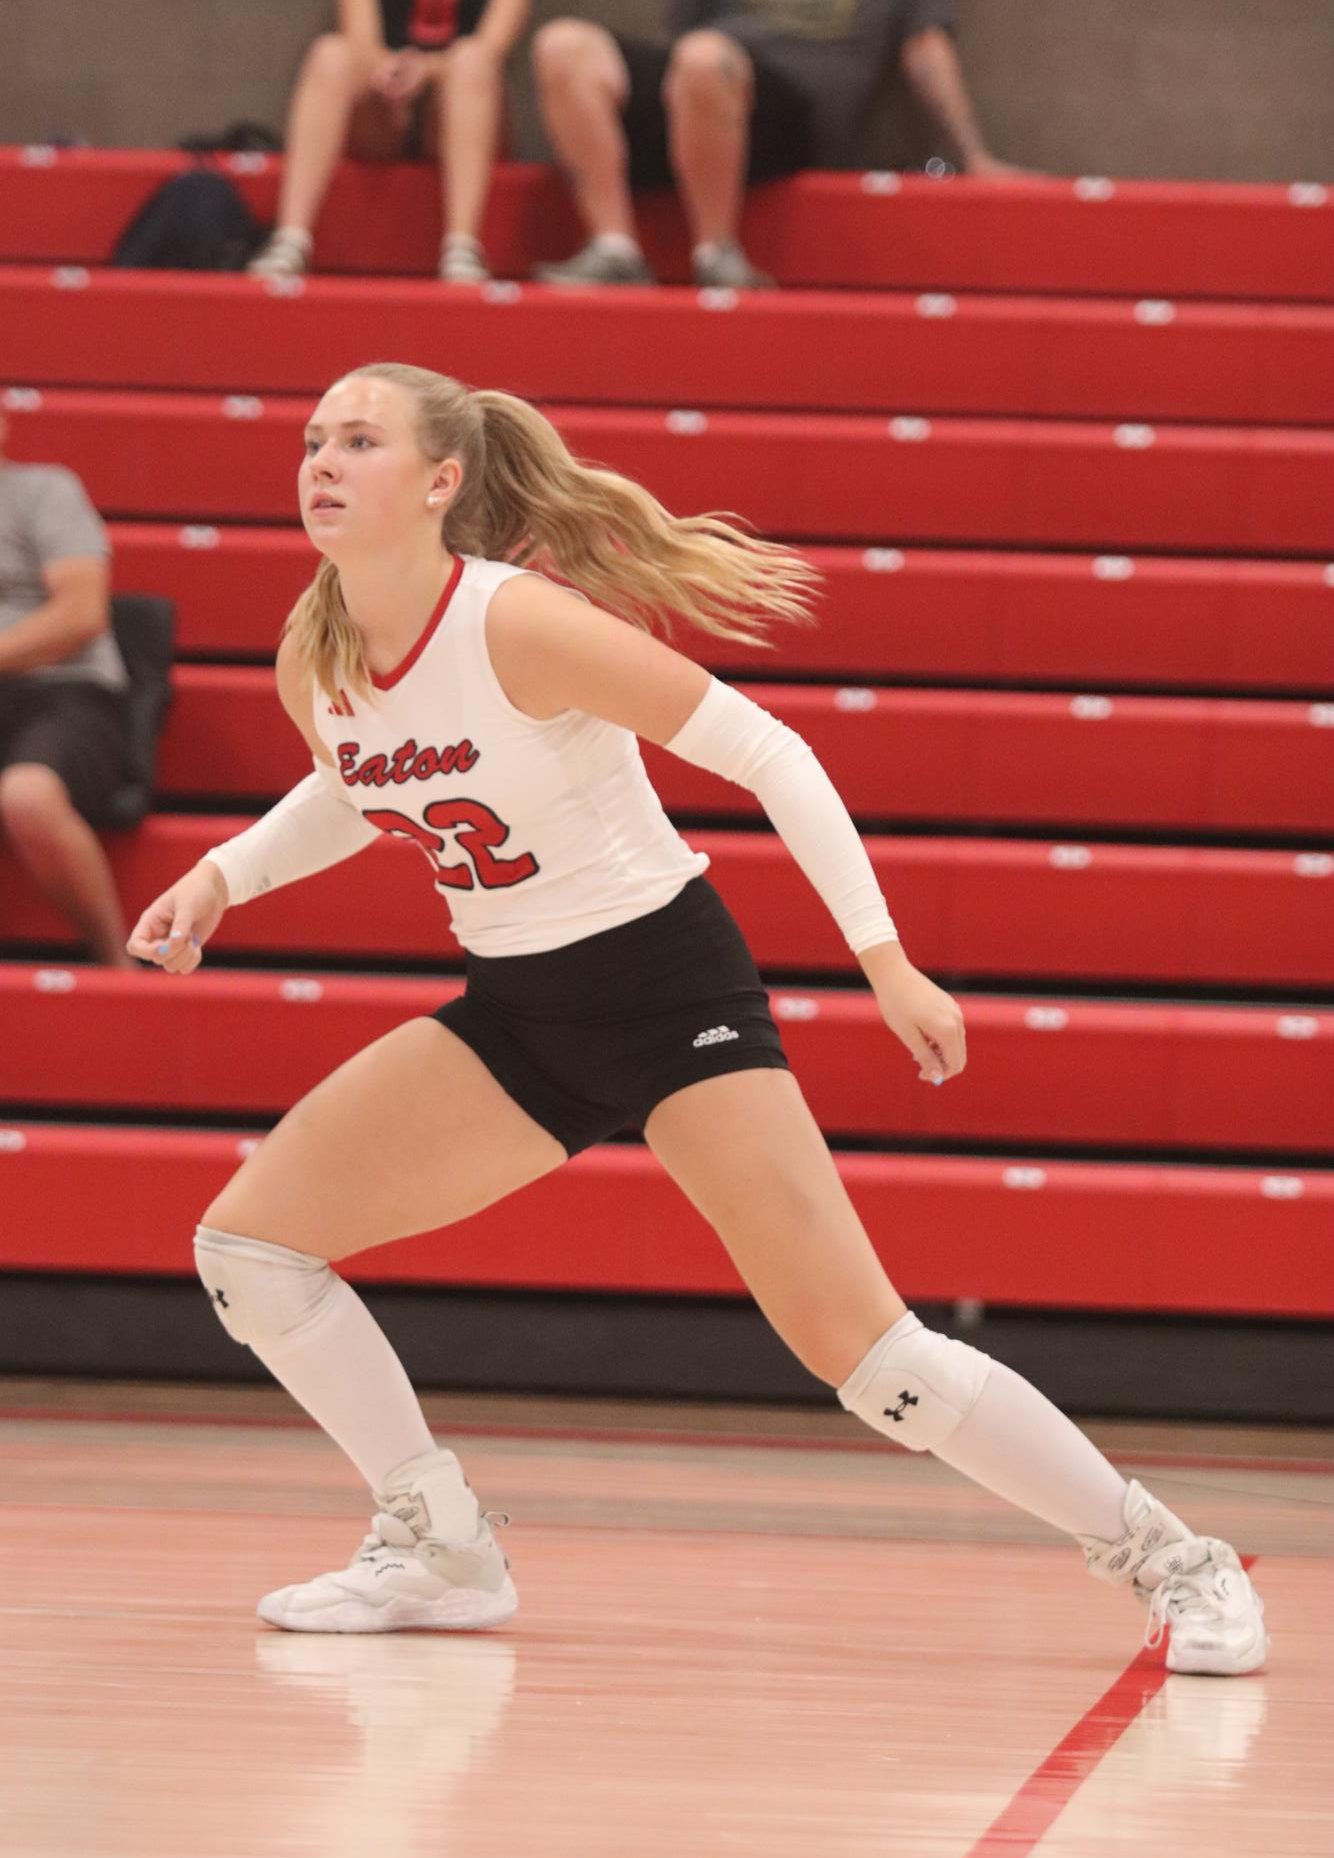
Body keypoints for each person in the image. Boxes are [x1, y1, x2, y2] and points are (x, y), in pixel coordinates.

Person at [128, 361, 1266, 1675]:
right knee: (252, 1248)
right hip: (519, 1014)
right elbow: (352, 783)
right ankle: (439, 1544)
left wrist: (883, 961)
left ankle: (1173, 1561)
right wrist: (223, 877)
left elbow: (769, 749)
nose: (322, 458)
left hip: (665, 993)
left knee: (873, 1361)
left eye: (360, 439)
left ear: (441, 482)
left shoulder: (516, 623)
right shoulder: (317, 647)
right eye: (314, 438)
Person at [531, 0, 1027, 289]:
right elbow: (679, 37)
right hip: (697, 96)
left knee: (706, 60)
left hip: (794, 115)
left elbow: (926, 49)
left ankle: (717, 252)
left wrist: (973, 153)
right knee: (565, 44)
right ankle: (615, 247)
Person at [249, 0, 530, 286]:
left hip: (463, 108)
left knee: (472, 59)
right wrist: (391, 72)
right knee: (330, 53)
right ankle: (291, 239)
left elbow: (495, 47)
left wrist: (428, 69)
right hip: (385, 104)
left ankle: (463, 247)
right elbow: (360, 39)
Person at [0, 411, 133, 970]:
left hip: (66, 689)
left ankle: (119, 967)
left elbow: (81, 613)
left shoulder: (43, 489)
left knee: (27, 797)